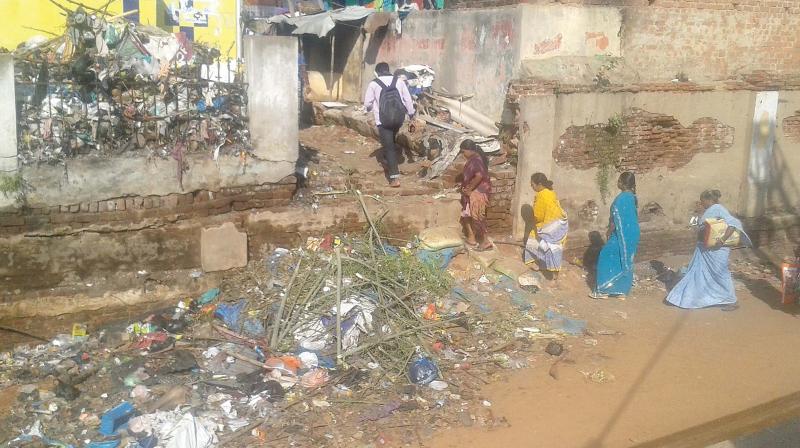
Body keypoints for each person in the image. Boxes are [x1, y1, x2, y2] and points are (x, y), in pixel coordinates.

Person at [666, 190, 751, 310]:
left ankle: (732, 300)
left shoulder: (718, 208)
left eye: (702, 201)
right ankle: (693, 298)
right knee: (699, 273)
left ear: (709, 200)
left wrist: (722, 240)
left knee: (720, 274)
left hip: (716, 250)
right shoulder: (710, 210)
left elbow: (733, 223)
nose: (702, 204)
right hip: (705, 249)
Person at [363, 62, 416, 188]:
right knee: (391, 140)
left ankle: (394, 177)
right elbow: (408, 99)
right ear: (388, 70)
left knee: (389, 148)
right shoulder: (399, 81)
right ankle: (388, 160)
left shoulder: (373, 84)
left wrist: (369, 108)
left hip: (383, 120)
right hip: (398, 118)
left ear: (377, 72)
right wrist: (411, 114)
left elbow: (367, 103)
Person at [591, 172, 640, 299]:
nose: (617, 183)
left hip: (621, 233)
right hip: (632, 233)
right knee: (626, 259)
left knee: (605, 255)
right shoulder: (633, 197)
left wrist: (609, 231)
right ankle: (622, 291)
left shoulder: (621, 198)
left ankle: (604, 290)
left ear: (623, 183)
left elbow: (616, 218)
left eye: (619, 181)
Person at [524, 173, 569, 276]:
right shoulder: (550, 192)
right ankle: (548, 268)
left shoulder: (541, 195)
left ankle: (550, 272)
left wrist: (533, 221)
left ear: (539, 184)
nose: (531, 187)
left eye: (532, 185)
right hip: (558, 224)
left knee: (545, 245)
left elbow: (538, 215)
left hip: (550, 226)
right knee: (552, 247)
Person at [459, 139, 493, 251]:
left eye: (463, 152)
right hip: (475, 193)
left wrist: (470, 189)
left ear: (469, 150)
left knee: (477, 217)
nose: (463, 154)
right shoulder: (475, 159)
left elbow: (479, 176)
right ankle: (472, 238)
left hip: (478, 193)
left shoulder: (475, 161)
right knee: (468, 215)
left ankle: (485, 241)